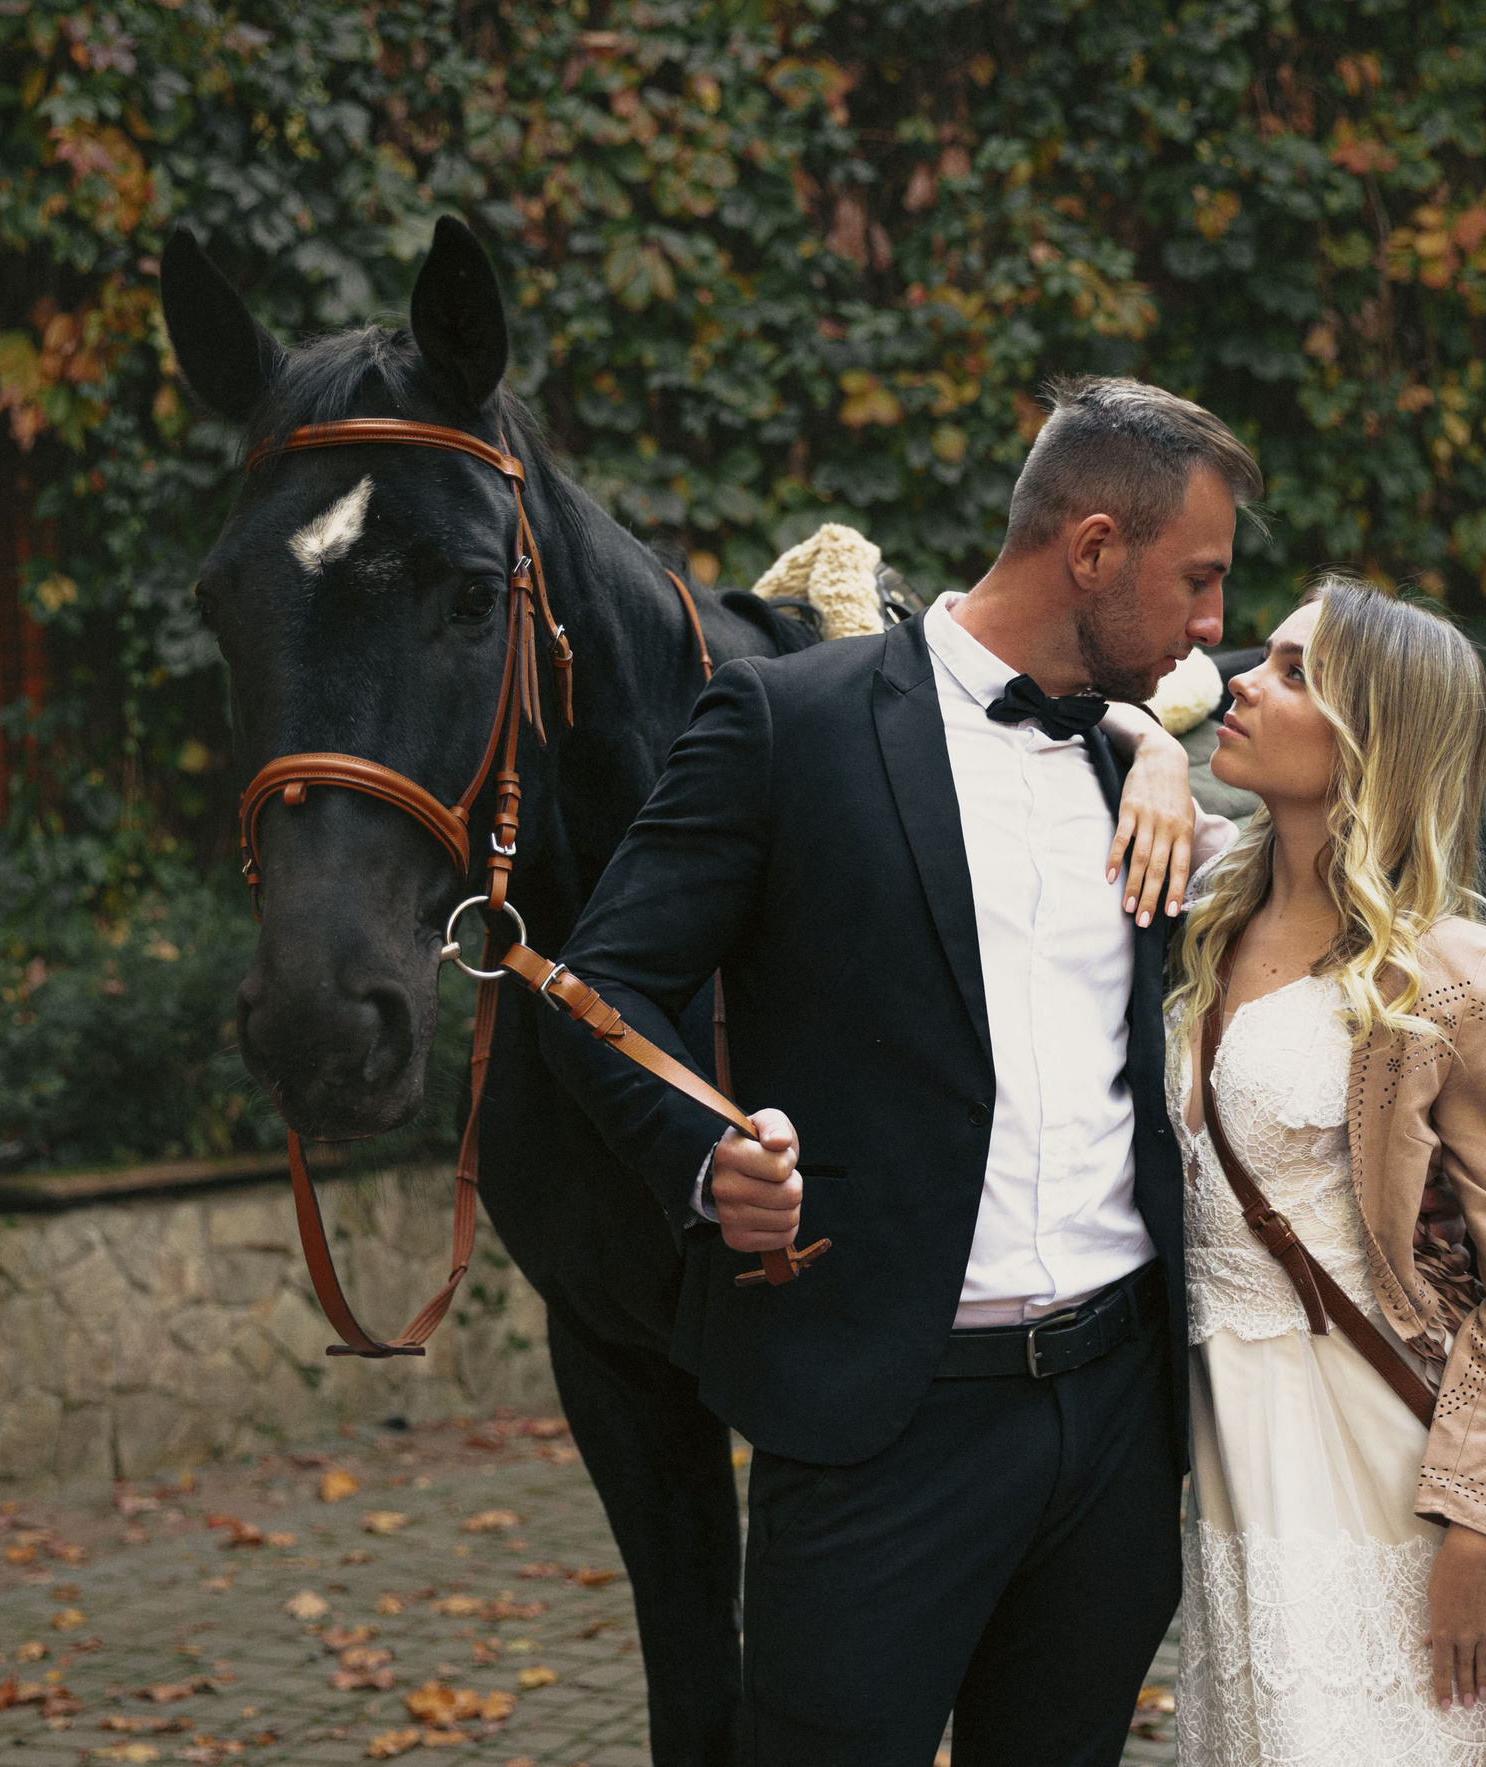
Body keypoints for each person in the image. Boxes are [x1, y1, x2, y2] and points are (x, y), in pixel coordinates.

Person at [532, 377, 1256, 1765]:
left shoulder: (1125, 754)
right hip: (883, 1420)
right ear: (1093, 548)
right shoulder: (783, 725)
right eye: (1200, 579)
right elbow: (594, 987)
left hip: (1116, 1412)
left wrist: (1153, 740)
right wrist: (705, 1152)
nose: (1213, 626)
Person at [1168, 574, 1486, 1764]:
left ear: (1369, 736)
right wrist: (1136, 752)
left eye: (1290, 673)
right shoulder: (1201, 919)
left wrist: (1480, 1539)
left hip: (1388, 1476)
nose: (1242, 681)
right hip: (1239, 1469)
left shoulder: (1450, 974)